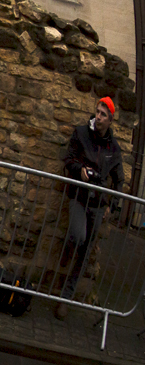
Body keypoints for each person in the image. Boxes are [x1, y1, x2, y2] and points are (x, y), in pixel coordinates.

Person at [54, 96, 123, 320]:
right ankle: (66, 250)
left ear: (110, 120)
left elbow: (119, 179)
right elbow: (69, 159)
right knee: (77, 235)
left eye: (103, 114)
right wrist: (80, 169)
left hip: (98, 203)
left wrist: (113, 204)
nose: (99, 117)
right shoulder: (82, 133)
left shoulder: (113, 147)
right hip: (79, 196)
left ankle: (66, 298)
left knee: (84, 255)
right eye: (97, 112)